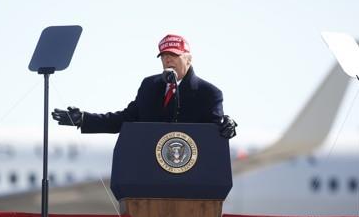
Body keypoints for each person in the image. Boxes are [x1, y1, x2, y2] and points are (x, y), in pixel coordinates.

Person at [52, 34, 237, 139]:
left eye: (174, 55)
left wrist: (226, 124)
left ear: (188, 59)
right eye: (164, 56)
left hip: (191, 177)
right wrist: (83, 119)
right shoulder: (150, 85)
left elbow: (215, 133)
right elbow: (126, 118)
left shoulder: (209, 93)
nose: (168, 59)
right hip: (149, 172)